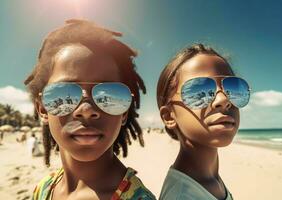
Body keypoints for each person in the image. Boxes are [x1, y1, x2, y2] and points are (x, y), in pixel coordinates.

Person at [24, 19, 155, 200]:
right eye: (64, 93)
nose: (86, 109)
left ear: (124, 112)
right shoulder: (44, 188)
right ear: (43, 109)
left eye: (108, 95)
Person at [156, 44, 250, 200]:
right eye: (199, 91)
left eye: (232, 88)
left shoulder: (208, 180)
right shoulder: (182, 196)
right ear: (169, 117)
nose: (223, 99)